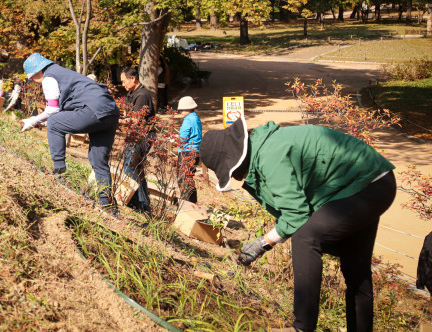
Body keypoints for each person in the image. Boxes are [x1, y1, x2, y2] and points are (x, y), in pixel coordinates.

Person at [199, 116, 396, 332]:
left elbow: (296, 214)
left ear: (237, 158)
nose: (237, 177)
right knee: (356, 271)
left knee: (305, 236)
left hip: (364, 186)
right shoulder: (266, 146)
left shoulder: (269, 155)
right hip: (371, 183)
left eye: (232, 171)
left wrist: (263, 243)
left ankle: (302, 327)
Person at [20, 53, 120, 208]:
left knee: (53, 123)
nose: (33, 82)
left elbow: (52, 111)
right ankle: (106, 203)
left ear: (37, 72)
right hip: (110, 111)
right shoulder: (64, 73)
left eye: (31, 78)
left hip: (93, 110)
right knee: (98, 160)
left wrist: (32, 121)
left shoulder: (49, 77)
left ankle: (60, 173)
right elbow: (66, 112)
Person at [120, 67, 155, 213]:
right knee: (136, 170)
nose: (123, 85)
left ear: (132, 78)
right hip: (135, 136)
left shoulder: (142, 95)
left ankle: (139, 204)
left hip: (142, 137)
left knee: (130, 169)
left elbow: (135, 120)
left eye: (124, 81)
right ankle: (143, 203)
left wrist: (117, 121)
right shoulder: (132, 93)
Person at [176, 96, 202, 203]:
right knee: (189, 179)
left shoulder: (188, 120)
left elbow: (183, 138)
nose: (180, 111)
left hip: (186, 152)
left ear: (188, 109)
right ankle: (193, 204)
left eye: (182, 109)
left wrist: (175, 140)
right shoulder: (196, 118)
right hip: (195, 151)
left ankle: (185, 205)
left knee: (183, 181)